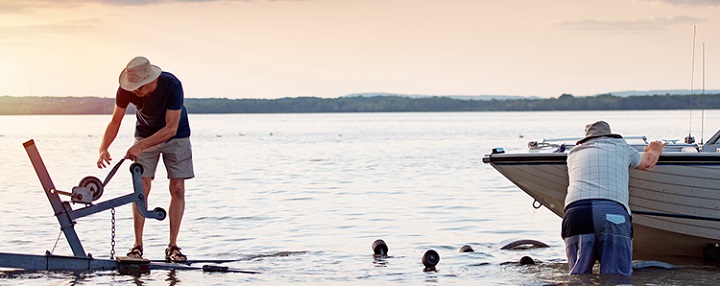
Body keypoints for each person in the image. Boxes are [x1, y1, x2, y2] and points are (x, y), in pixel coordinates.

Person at [97, 56, 193, 263]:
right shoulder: (126, 91)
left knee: (177, 188)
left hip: (176, 136)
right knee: (141, 187)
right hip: (144, 134)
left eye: (140, 87)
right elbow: (115, 120)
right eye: (133, 87)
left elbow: (171, 128)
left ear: (152, 79)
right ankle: (137, 247)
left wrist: (139, 146)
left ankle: (173, 247)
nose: (136, 92)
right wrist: (103, 148)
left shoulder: (171, 85)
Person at [562, 121, 663, 275]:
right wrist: (655, 149)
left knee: (579, 277)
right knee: (616, 277)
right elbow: (647, 162)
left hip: (575, 214)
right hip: (610, 211)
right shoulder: (620, 146)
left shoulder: (573, 153)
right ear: (610, 135)